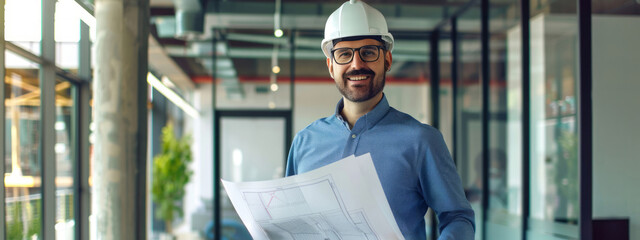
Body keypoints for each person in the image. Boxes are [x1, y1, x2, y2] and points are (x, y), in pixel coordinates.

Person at [285, 0, 475, 239]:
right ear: (331, 66)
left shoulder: (421, 140)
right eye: (344, 54)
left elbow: (458, 217)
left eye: (368, 52)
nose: (356, 64)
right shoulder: (305, 142)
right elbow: (290, 220)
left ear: (387, 60)